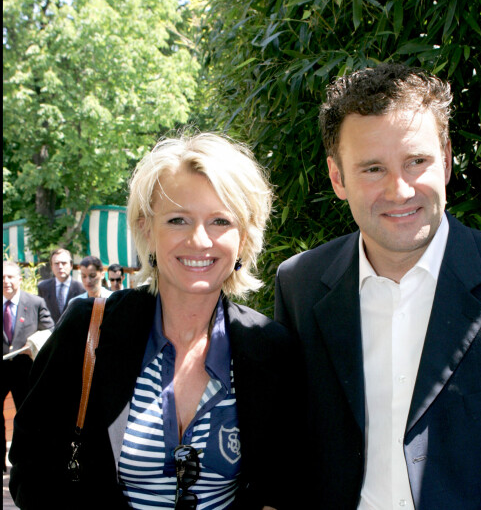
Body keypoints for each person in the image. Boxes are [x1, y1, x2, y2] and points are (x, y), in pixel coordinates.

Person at [274, 63, 481, 509]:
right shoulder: (299, 286)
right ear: (338, 178)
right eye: (373, 169)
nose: (400, 191)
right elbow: (294, 454)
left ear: (448, 159)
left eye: (416, 161)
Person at [10, 132, 302, 509]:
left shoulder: (270, 347)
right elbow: (31, 471)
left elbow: (288, 483)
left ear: (243, 237)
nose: (200, 240)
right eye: (178, 219)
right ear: (147, 228)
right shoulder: (89, 330)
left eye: (220, 221)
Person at [3, 261, 54, 472]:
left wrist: (32, 343)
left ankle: (23, 461)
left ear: (20, 279)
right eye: (3, 277)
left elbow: (50, 331)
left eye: (10, 277)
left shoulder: (34, 302)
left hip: (25, 370)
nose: (6, 282)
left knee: (26, 416)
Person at [37, 248, 84, 324]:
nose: (60, 267)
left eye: (64, 263)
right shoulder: (43, 287)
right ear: (51, 266)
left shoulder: (81, 288)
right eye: (56, 263)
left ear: (71, 265)